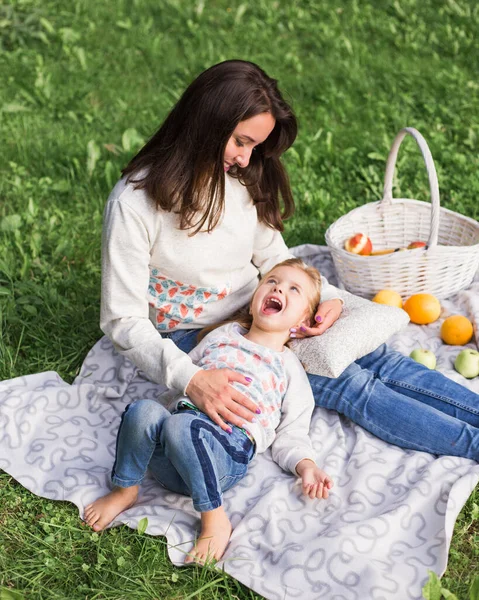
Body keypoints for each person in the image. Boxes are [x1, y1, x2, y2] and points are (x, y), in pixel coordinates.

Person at [100, 58, 479, 469]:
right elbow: (122, 319)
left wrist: (324, 299)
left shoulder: (237, 178)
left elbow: (275, 256)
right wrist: (191, 378)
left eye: (255, 147)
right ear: (204, 124)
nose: (246, 159)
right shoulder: (135, 203)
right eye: (241, 142)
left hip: (267, 305)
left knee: (378, 358)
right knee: (350, 384)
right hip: (200, 334)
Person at [84, 259, 334, 563]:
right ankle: (125, 490)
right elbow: (184, 383)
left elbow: (293, 430)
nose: (279, 287)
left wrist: (307, 466)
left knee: (181, 427)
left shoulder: (288, 367)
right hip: (171, 457)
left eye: (294, 289)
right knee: (143, 410)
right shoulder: (222, 336)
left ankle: (214, 518)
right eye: (271, 281)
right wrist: (154, 421)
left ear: (302, 321)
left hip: (225, 453)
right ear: (254, 305)